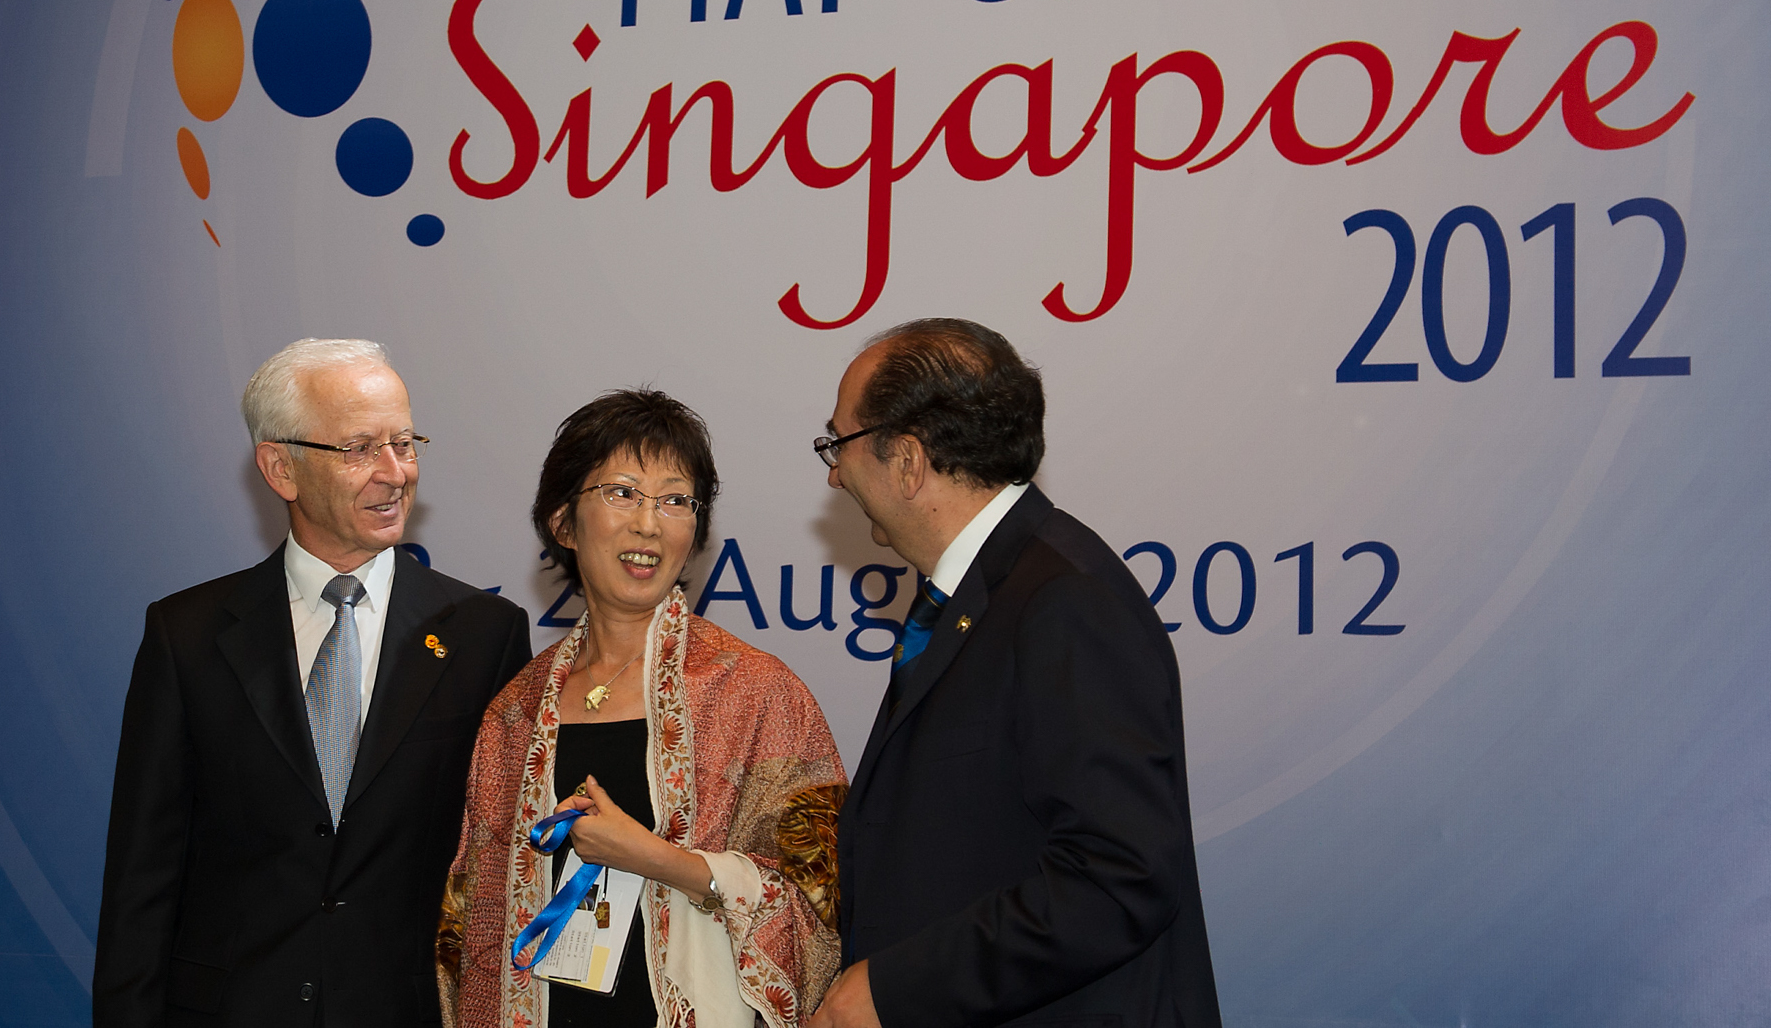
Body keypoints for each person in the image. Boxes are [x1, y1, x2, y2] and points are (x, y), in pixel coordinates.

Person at [96, 338, 532, 1028]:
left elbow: (503, 868)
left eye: (404, 443)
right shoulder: (187, 635)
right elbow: (141, 880)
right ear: (281, 468)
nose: (395, 473)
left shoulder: (485, 635)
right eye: (360, 448)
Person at [805, 319, 1223, 1028]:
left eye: (837, 443)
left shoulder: (1065, 601)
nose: (834, 473)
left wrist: (894, 987)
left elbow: (1117, 878)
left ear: (907, 460)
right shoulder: (983, 594)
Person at [439, 389, 845, 1028]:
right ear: (564, 523)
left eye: (676, 500)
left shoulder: (756, 693)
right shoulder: (516, 711)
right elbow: (475, 918)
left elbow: (822, 899)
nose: (649, 524)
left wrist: (659, 860)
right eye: (623, 493)